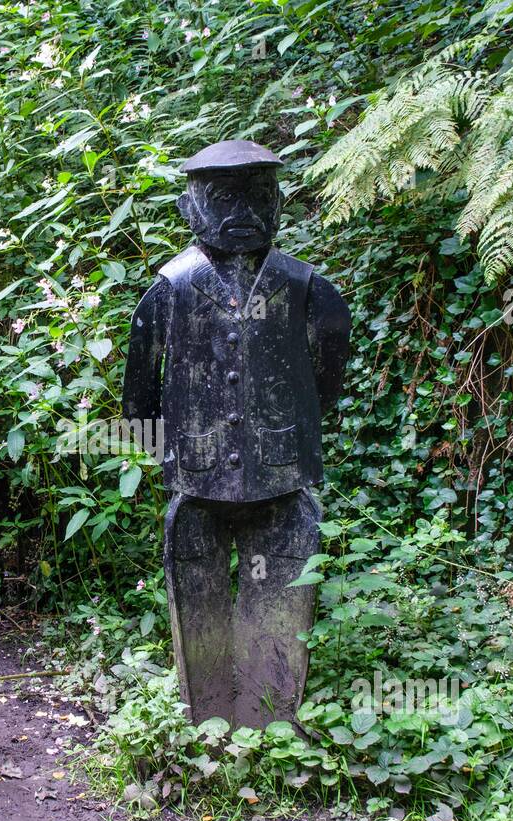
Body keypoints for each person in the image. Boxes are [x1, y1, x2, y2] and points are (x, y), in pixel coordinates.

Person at [123, 140, 351, 729]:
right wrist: (175, 451)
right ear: (187, 206)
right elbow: (139, 396)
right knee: (195, 594)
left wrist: (287, 433)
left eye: (257, 194)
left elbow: (327, 380)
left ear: (279, 202)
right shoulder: (169, 290)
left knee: (283, 590)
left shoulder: (305, 288)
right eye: (223, 196)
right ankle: (208, 716)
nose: (242, 210)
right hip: (196, 482)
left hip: (282, 476)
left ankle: (272, 718)